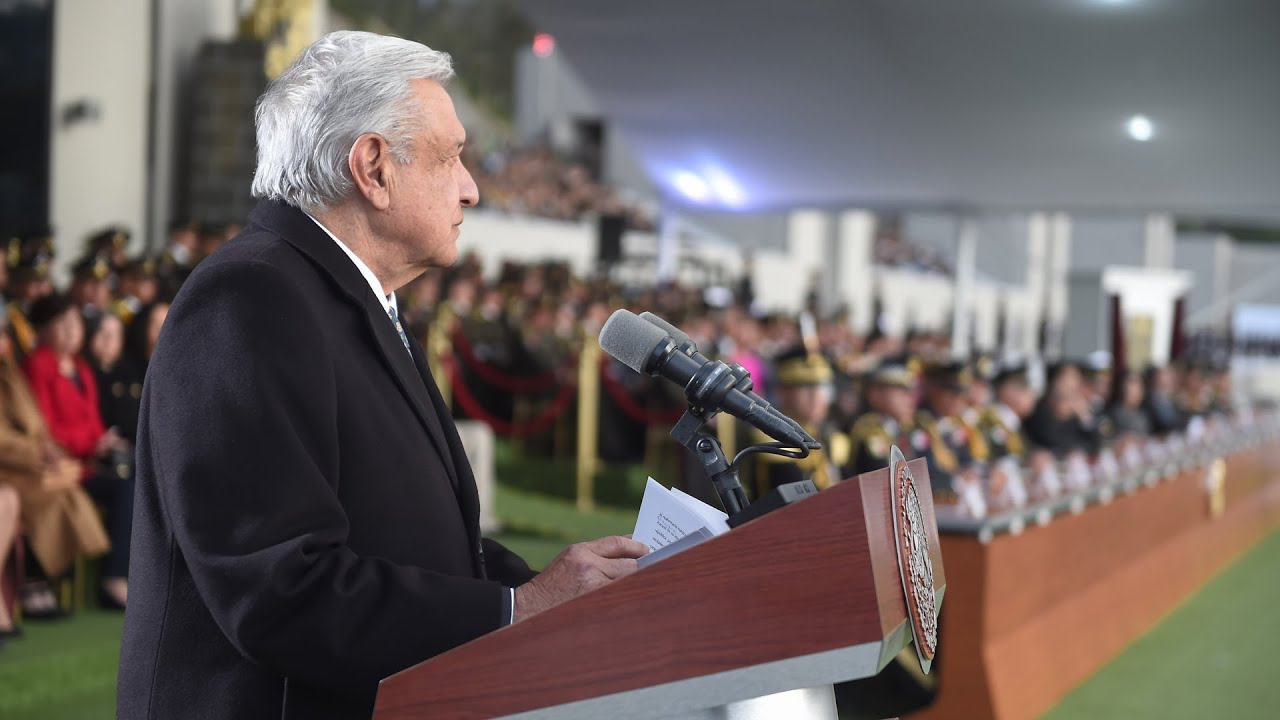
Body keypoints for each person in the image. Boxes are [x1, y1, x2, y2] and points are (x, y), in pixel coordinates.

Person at [117, 31, 648, 720]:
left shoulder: (340, 295)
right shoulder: (252, 301)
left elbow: (409, 540)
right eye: (451, 156)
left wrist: (563, 584)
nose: (471, 188)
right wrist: (518, 607)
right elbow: (279, 587)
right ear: (373, 167)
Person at [22, 295, 132, 609]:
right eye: (62, 324)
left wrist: (106, 442)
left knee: (132, 484)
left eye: (75, 325)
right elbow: (42, 427)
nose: (71, 331)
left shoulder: (82, 368)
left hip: (86, 464)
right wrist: (90, 443)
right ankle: (109, 580)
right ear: (43, 330)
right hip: (58, 466)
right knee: (123, 490)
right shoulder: (38, 365)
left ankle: (118, 576)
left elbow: (93, 422)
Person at [0, 308, 110, 619]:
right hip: (12, 467)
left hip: (27, 462)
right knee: (43, 499)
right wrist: (39, 453)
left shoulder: (9, 371)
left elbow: (37, 424)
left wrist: (48, 447)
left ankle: (43, 582)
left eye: (4, 333)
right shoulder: (35, 365)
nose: (3, 341)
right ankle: (32, 585)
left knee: (65, 494)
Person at [751, 345, 850, 497]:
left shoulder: (834, 439)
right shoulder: (771, 440)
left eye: (823, 388)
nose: (816, 397)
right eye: (805, 388)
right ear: (782, 392)